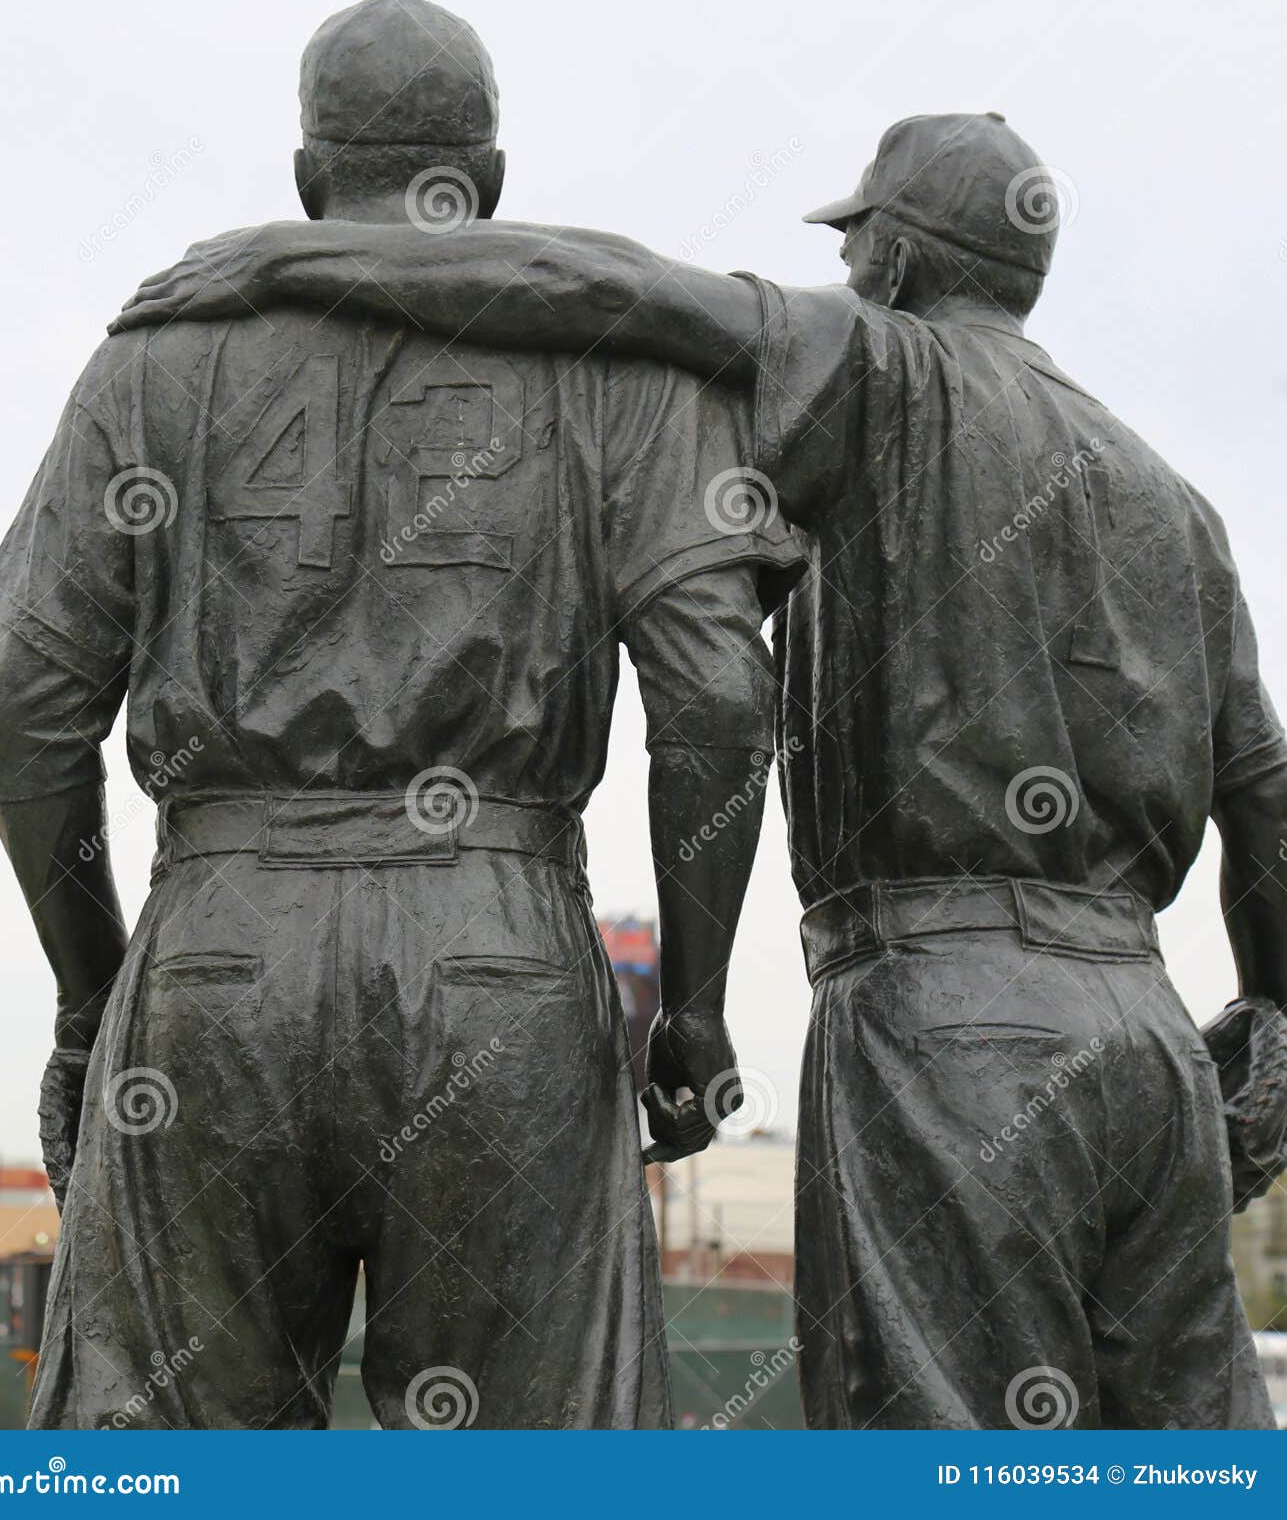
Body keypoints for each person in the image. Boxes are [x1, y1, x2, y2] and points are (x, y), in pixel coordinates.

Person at [117, 111, 1287, 1429]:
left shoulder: (887, 366)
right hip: (1150, 1032)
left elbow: (592, 287)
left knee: (945, 1467)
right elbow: (1268, 795)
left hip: (949, 1023)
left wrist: (284, 264)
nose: (847, 274)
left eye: (856, 249)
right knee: (1194, 1468)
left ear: (895, 257)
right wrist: (1278, 1019)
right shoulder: (1174, 497)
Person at [0, 0, 800, 1429]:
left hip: (220, 954)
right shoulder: (613, 364)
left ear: (309, 177)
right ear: (485, 179)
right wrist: (698, 997)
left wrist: (89, 985)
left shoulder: (155, 357)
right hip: (501, 959)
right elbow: (720, 694)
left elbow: (23, 708)